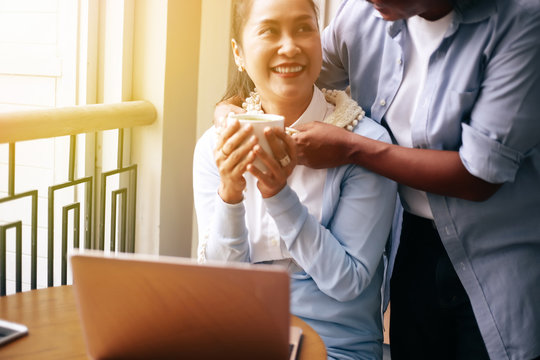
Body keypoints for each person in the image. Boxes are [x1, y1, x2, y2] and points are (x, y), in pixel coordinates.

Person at [285, 0, 539, 359]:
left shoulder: (522, 20)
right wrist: (231, 104)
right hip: (413, 246)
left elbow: (481, 176)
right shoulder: (361, 14)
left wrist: (354, 149)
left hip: (501, 252)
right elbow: (294, 71)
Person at [193, 0, 397, 359]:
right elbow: (221, 285)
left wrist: (277, 194)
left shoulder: (365, 143)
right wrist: (230, 193)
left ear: (321, 42)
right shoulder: (215, 146)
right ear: (239, 53)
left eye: (304, 28)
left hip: (336, 348)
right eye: (269, 31)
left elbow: (347, 281)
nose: (289, 46)